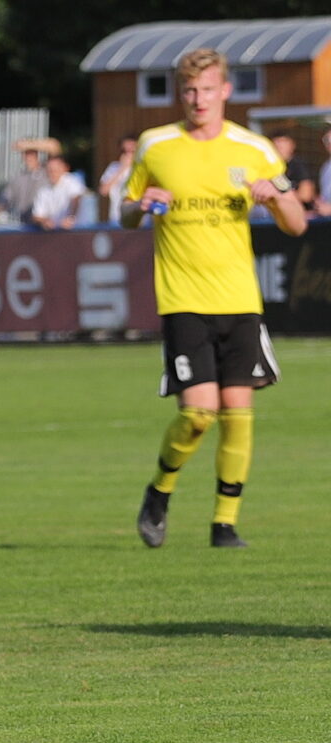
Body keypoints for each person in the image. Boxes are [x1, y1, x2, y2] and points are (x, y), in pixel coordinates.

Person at [123, 48, 306, 549]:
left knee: (239, 414)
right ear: (180, 93)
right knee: (198, 414)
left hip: (240, 299)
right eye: (189, 90)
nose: (198, 99)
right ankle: (159, 491)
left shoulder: (254, 148)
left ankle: (225, 524)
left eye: (207, 89)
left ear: (224, 90)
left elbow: (296, 224)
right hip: (182, 299)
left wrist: (277, 197)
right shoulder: (155, 144)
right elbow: (124, 212)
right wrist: (141, 206)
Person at [0, 138, 56, 226]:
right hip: (25, 224)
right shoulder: (19, 177)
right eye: (25, 153)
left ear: (37, 154)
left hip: (46, 224)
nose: (28, 157)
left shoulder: (46, 171)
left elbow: (54, 147)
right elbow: (4, 200)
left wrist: (28, 144)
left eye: (31, 153)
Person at [264, 129, 316, 213]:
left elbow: (306, 195)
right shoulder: (268, 167)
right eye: (276, 146)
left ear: (292, 145)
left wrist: (280, 197)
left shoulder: (298, 165)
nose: (279, 149)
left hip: (302, 213)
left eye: (282, 146)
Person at [31, 155, 86, 230]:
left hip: (78, 231)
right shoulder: (43, 190)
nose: (52, 172)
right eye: (50, 170)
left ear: (64, 169)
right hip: (54, 233)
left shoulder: (72, 182)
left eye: (56, 169)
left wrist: (70, 219)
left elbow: (76, 200)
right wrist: (45, 221)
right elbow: (36, 216)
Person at [98, 135, 138, 224]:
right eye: (124, 151)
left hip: (138, 219)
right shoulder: (114, 167)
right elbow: (103, 191)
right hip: (117, 218)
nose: (128, 154)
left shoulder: (142, 168)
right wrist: (121, 169)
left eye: (132, 151)